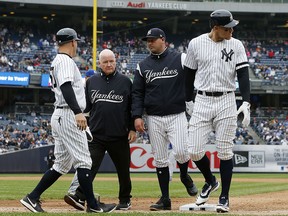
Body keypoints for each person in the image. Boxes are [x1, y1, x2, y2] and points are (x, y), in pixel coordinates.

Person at [20, 27, 116, 213]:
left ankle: (31, 198)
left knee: (62, 164)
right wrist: (77, 112)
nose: (77, 45)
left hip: (62, 114)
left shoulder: (60, 60)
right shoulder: (64, 60)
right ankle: (93, 206)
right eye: (76, 42)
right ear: (72, 42)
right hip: (68, 114)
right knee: (84, 162)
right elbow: (65, 86)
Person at [184, 9, 251, 213]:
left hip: (226, 100)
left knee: (224, 151)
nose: (232, 30)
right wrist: (188, 100)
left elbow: (243, 74)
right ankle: (211, 181)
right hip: (202, 99)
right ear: (215, 28)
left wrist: (246, 102)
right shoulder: (196, 43)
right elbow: (188, 74)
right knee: (194, 150)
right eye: (227, 27)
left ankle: (224, 198)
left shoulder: (236, 44)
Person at [132, 28, 198, 211]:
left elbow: (194, 79)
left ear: (163, 40)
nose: (150, 42)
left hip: (177, 114)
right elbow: (137, 93)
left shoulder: (180, 58)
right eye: (148, 40)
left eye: (153, 39)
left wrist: (190, 100)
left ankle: (184, 176)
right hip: (153, 117)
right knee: (160, 160)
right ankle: (165, 199)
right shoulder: (143, 65)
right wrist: (137, 116)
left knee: (182, 152)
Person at [64, 49, 136, 211]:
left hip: (119, 134)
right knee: (89, 167)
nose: (109, 64)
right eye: (105, 62)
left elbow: (132, 108)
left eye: (111, 61)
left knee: (123, 170)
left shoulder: (126, 81)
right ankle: (80, 195)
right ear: (99, 64)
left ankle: (125, 199)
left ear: (116, 61)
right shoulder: (91, 82)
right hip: (96, 135)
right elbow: (87, 108)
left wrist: (132, 129)